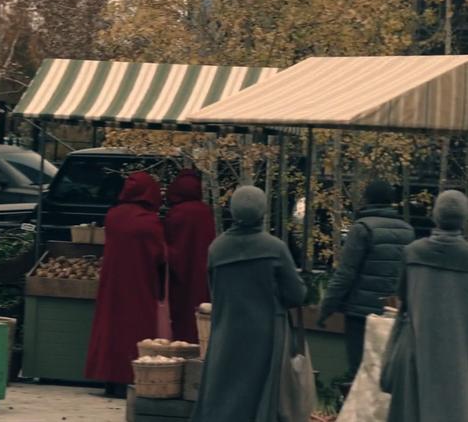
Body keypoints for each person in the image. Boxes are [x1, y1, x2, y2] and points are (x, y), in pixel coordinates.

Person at [191, 186, 306, 422]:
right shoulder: (274, 248)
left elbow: (215, 291)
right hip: (266, 335)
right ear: (263, 212)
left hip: (227, 332)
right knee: (260, 395)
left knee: (223, 391)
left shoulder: (217, 249)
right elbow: (296, 295)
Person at [385, 190, 468, 422]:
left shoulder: (413, 252)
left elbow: (401, 295)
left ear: (435, 215)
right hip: (459, 353)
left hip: (416, 346)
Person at [318, 180, 413, 375]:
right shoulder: (407, 231)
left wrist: (326, 309)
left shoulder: (362, 229)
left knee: (360, 372)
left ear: (367, 199)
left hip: (361, 315)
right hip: (393, 313)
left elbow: (346, 274)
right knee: (387, 372)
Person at [85, 172, 167, 398]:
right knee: (134, 330)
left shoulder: (113, 216)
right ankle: (129, 377)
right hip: (139, 283)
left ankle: (109, 379)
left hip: (112, 283)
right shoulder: (149, 222)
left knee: (111, 329)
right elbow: (160, 254)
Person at [164, 169, 214, 343]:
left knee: (181, 314)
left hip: (179, 277)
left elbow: (171, 248)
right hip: (202, 274)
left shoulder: (175, 214)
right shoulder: (206, 213)